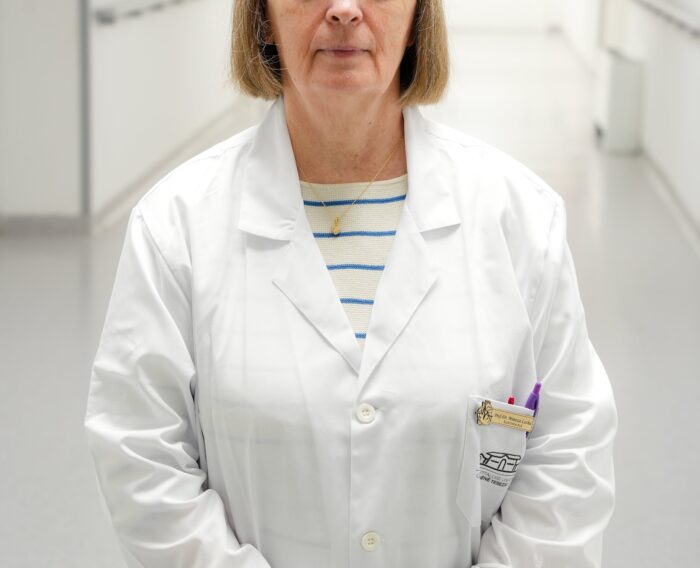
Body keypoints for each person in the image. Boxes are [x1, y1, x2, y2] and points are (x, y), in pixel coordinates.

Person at [83, 0, 618, 567]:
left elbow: (568, 454)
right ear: (263, 17)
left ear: (417, 18)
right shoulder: (175, 226)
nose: (343, 9)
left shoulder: (521, 218)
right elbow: (141, 455)